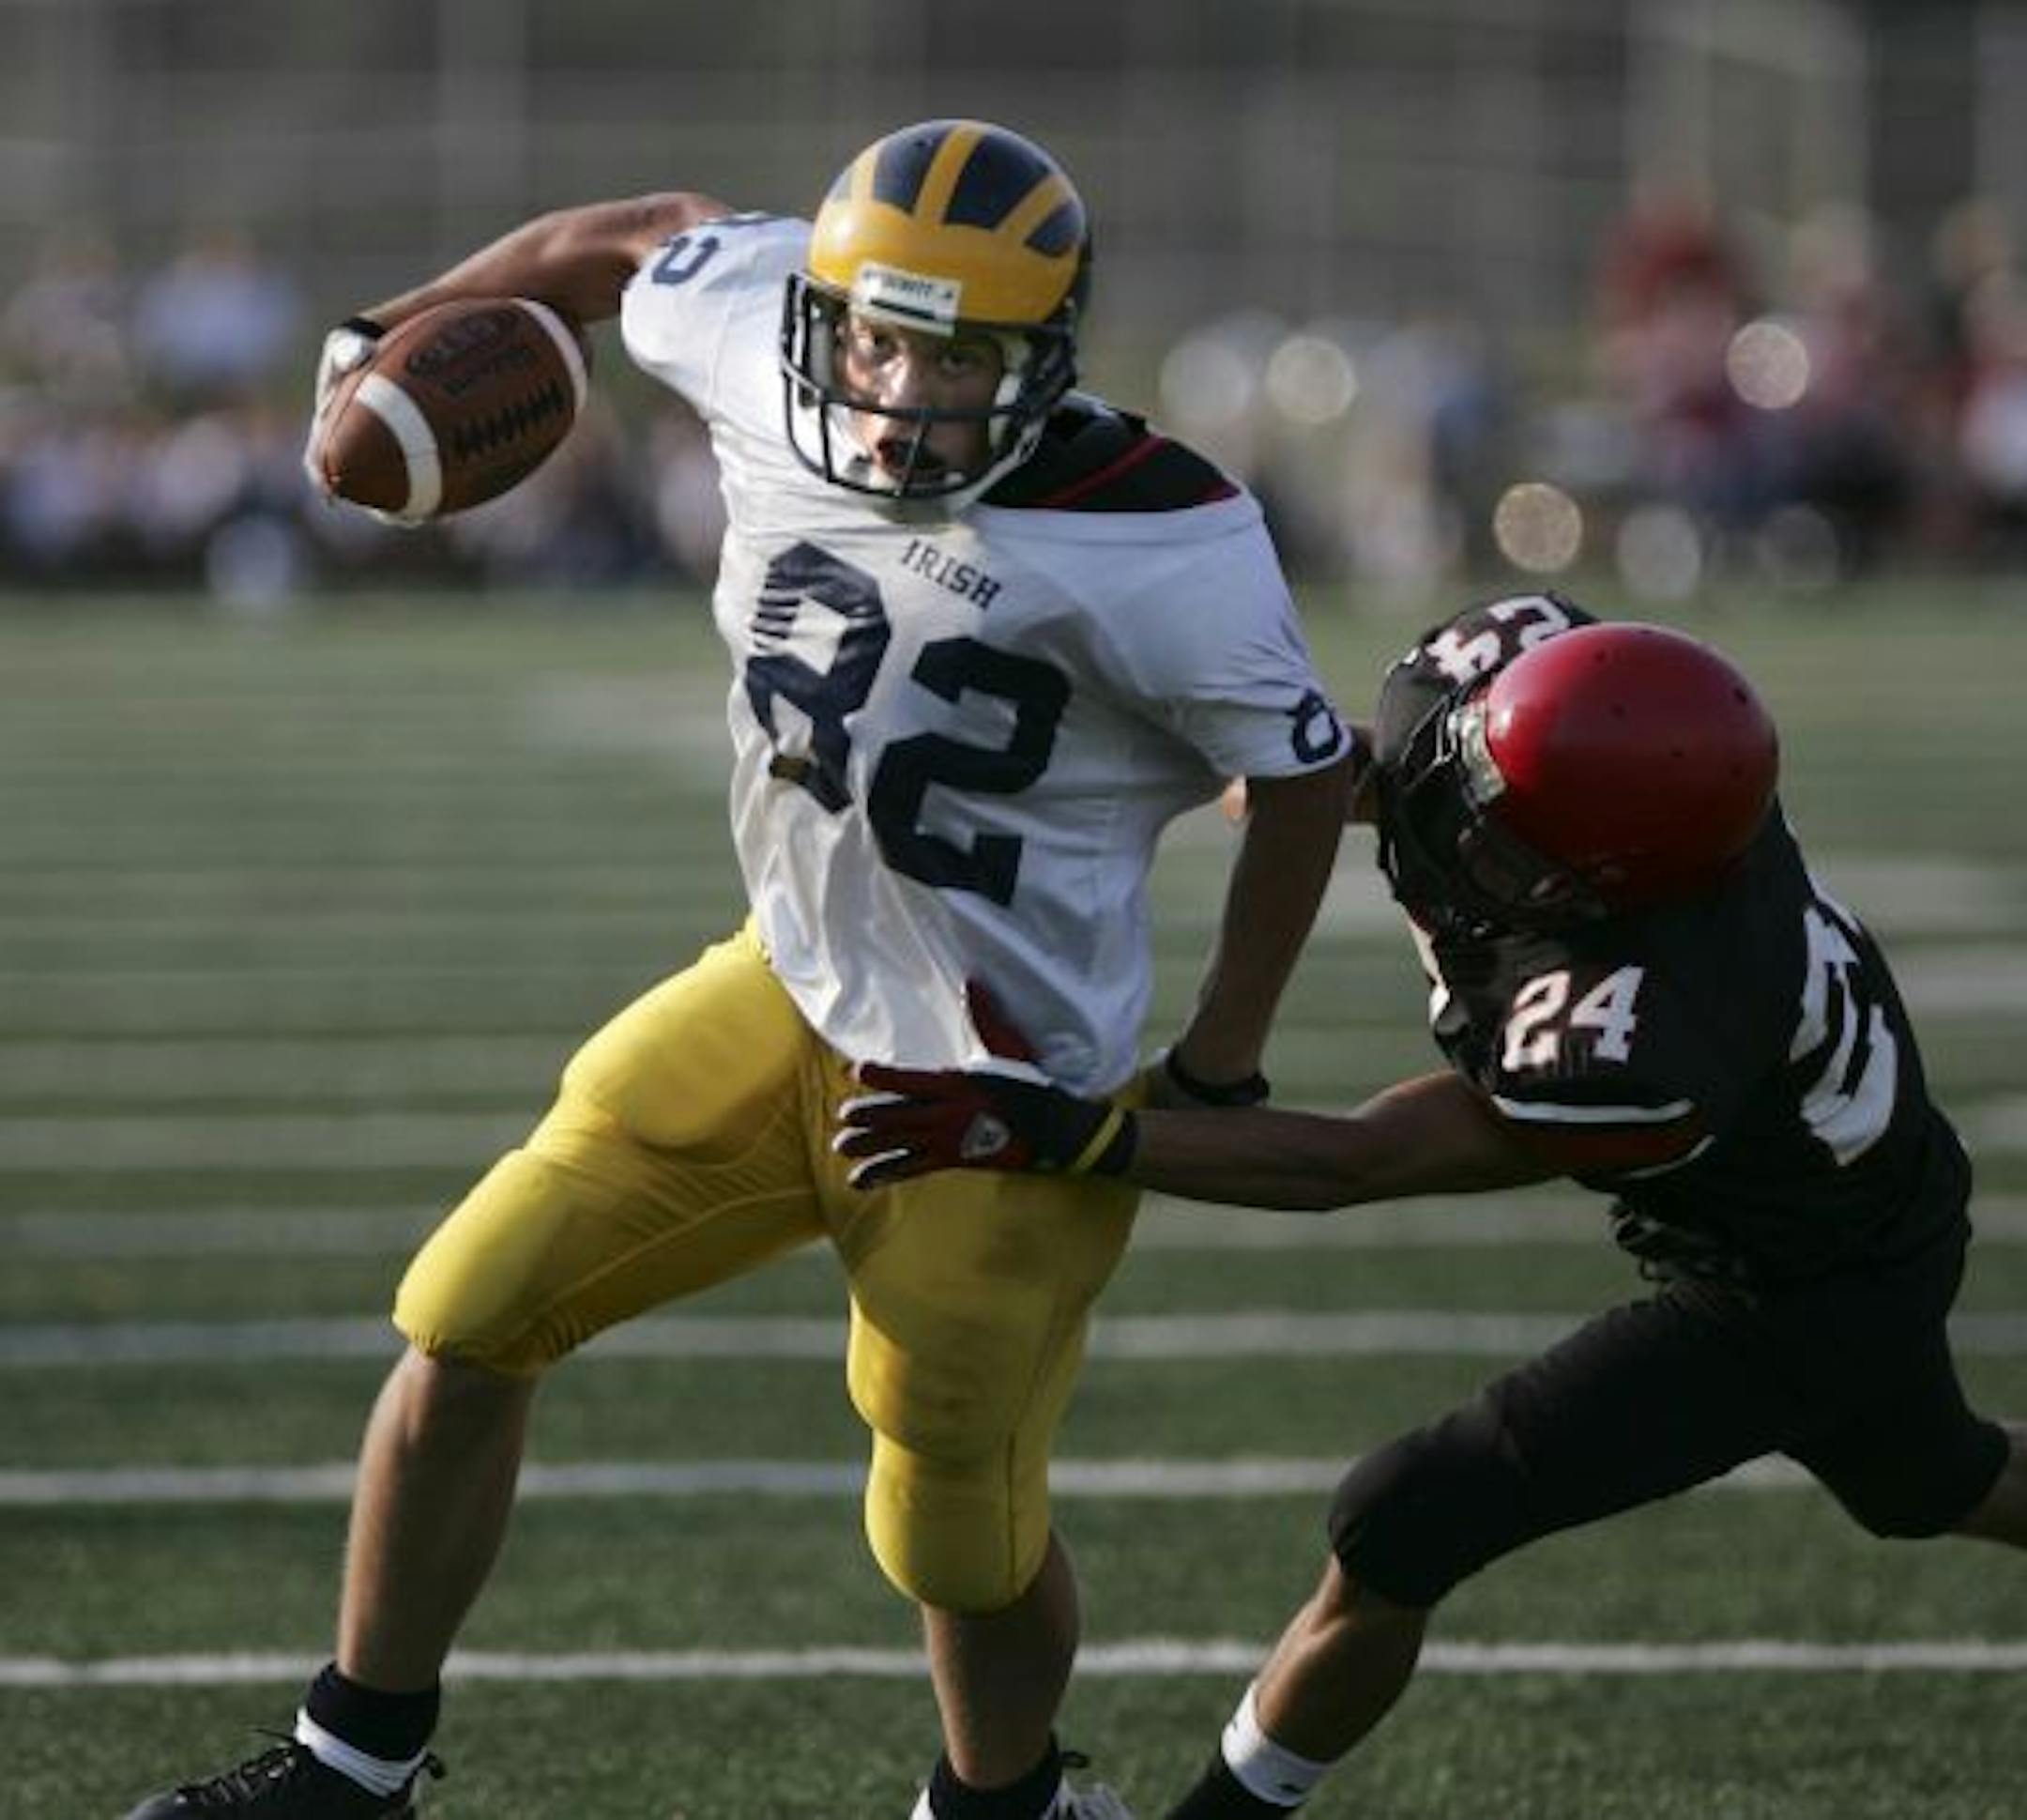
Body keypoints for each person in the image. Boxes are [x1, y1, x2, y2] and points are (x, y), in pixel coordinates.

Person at [121, 119, 1356, 1820]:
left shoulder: (1168, 533)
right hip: (780, 986)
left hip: (990, 1094)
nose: (907, 384)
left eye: (963, 354)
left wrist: (1220, 1060)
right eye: (882, 335)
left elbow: (1301, 776)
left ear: (1049, 355)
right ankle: (355, 1766)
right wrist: (389, 327)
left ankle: (1007, 1806)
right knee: (467, 1312)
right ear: (826, 311)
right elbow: (631, 232)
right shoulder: (763, 322)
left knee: (957, 1536)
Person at [836, 590, 2027, 1817]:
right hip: (1873, 1193)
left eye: (1518, 859)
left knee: (1405, 1517)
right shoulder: (1494, 717)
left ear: (1616, 891)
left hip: (1799, 1284)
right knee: (1928, 1482)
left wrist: (1074, 1136)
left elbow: (1353, 1163)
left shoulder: (1652, 1035)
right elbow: (1349, 771)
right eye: (1472, 794)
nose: (1469, 846)